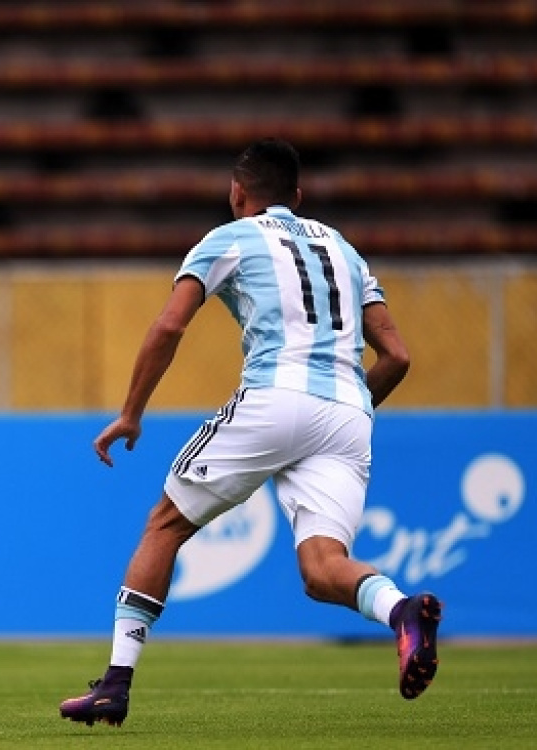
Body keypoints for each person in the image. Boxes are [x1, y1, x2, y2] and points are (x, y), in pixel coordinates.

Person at [59, 138, 442, 727]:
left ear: (237, 192)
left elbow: (169, 326)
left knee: (165, 524)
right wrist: (347, 409)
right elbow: (397, 356)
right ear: (298, 195)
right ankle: (402, 611)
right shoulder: (344, 249)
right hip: (348, 413)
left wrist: (132, 411)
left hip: (274, 396)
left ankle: (114, 684)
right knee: (322, 568)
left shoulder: (230, 237)